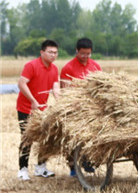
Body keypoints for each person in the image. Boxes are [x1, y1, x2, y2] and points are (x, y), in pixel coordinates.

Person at [17, 39, 61, 181]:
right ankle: (22, 170)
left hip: (42, 109)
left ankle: (41, 167)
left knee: (45, 137)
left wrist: (61, 102)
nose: (53, 55)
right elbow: (22, 84)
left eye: (55, 52)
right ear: (42, 52)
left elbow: (55, 89)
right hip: (26, 107)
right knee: (27, 138)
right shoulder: (31, 65)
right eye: (50, 52)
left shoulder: (54, 69)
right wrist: (33, 101)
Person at [59, 37, 103, 176]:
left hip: (92, 108)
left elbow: (100, 86)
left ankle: (88, 160)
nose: (85, 57)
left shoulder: (95, 66)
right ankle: (72, 165)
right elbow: (64, 91)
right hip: (75, 107)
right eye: (82, 54)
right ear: (77, 51)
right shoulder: (68, 68)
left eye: (88, 54)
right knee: (74, 137)